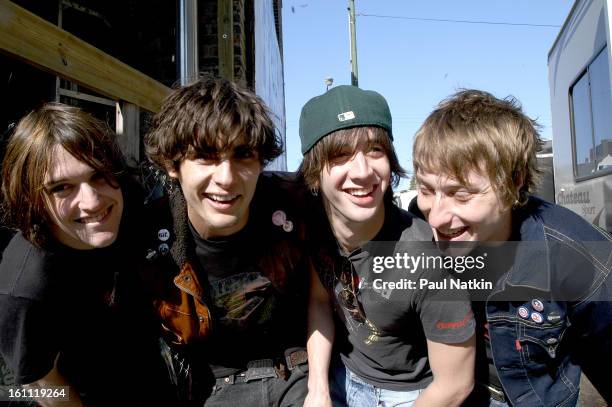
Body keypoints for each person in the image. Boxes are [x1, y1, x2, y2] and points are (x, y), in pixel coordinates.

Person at [412, 89, 612, 406]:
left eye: (461, 195)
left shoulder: (580, 257)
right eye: (426, 190)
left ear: (513, 182)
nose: (436, 216)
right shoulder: (412, 230)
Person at [299, 85, 476, 407]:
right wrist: (318, 387)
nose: (363, 171)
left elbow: (455, 386)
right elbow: (319, 300)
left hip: (408, 396)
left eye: (375, 151)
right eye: (341, 155)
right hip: (342, 374)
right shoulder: (313, 224)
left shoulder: (427, 257)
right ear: (314, 172)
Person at [142, 76, 311, 406]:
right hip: (209, 388)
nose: (226, 178)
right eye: (205, 156)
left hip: (297, 376)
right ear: (172, 164)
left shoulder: (294, 207)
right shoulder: (149, 240)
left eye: (243, 154)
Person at [0, 103, 173, 406]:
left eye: (97, 175)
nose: (92, 202)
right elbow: (41, 383)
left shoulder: (126, 202)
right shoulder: (26, 289)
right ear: (33, 200)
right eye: (61, 188)